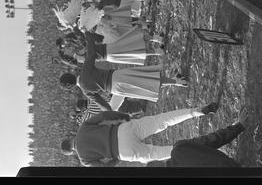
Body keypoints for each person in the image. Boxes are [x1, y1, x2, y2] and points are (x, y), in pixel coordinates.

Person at [60, 102, 220, 166]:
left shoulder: (84, 159)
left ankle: (207, 149)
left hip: (122, 152)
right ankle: (195, 111)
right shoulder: (82, 128)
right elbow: (104, 116)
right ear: (70, 138)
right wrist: (124, 117)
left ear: (71, 152)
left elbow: (105, 168)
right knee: (162, 121)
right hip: (121, 131)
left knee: (167, 152)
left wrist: (117, 159)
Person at [59, 32, 188, 107]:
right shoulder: (84, 72)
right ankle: (177, 81)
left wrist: (110, 115)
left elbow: (105, 106)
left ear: (71, 86)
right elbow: (92, 54)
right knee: (146, 79)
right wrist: (89, 37)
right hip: (115, 77)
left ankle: (177, 82)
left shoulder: (85, 91)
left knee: (145, 83)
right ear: (70, 74)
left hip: (116, 90)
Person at [146, 107, 249, 167]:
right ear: (159, 161)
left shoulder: (180, 149)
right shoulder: (179, 149)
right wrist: (239, 126)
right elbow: (212, 140)